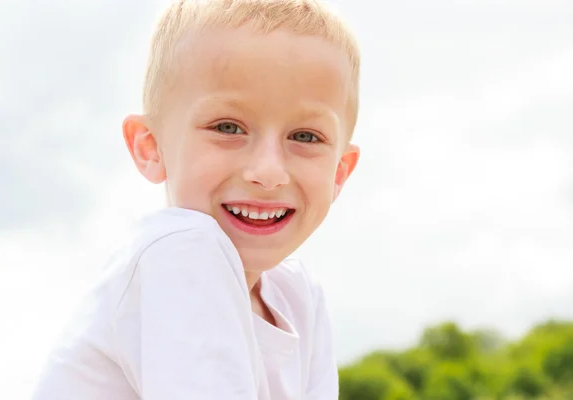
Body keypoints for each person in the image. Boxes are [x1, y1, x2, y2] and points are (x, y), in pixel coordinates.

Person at [30, 0, 360, 398]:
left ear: (340, 171)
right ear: (150, 148)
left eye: (305, 137)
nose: (268, 171)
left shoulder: (298, 296)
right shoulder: (182, 251)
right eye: (227, 127)